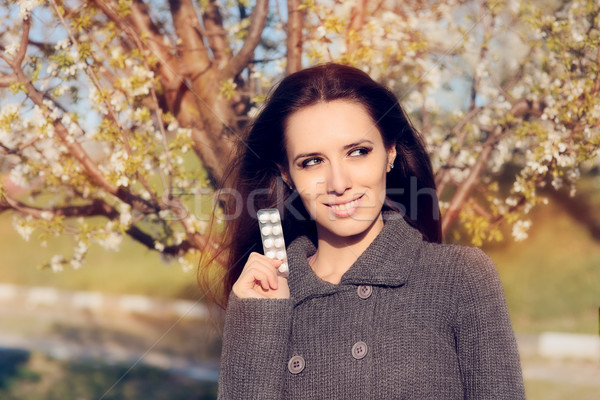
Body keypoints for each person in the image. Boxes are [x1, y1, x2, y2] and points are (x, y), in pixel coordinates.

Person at [204, 62, 525, 399]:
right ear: (287, 174)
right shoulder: (265, 298)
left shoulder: (460, 276)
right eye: (312, 161)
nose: (339, 183)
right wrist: (259, 322)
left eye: (358, 152)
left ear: (389, 153)